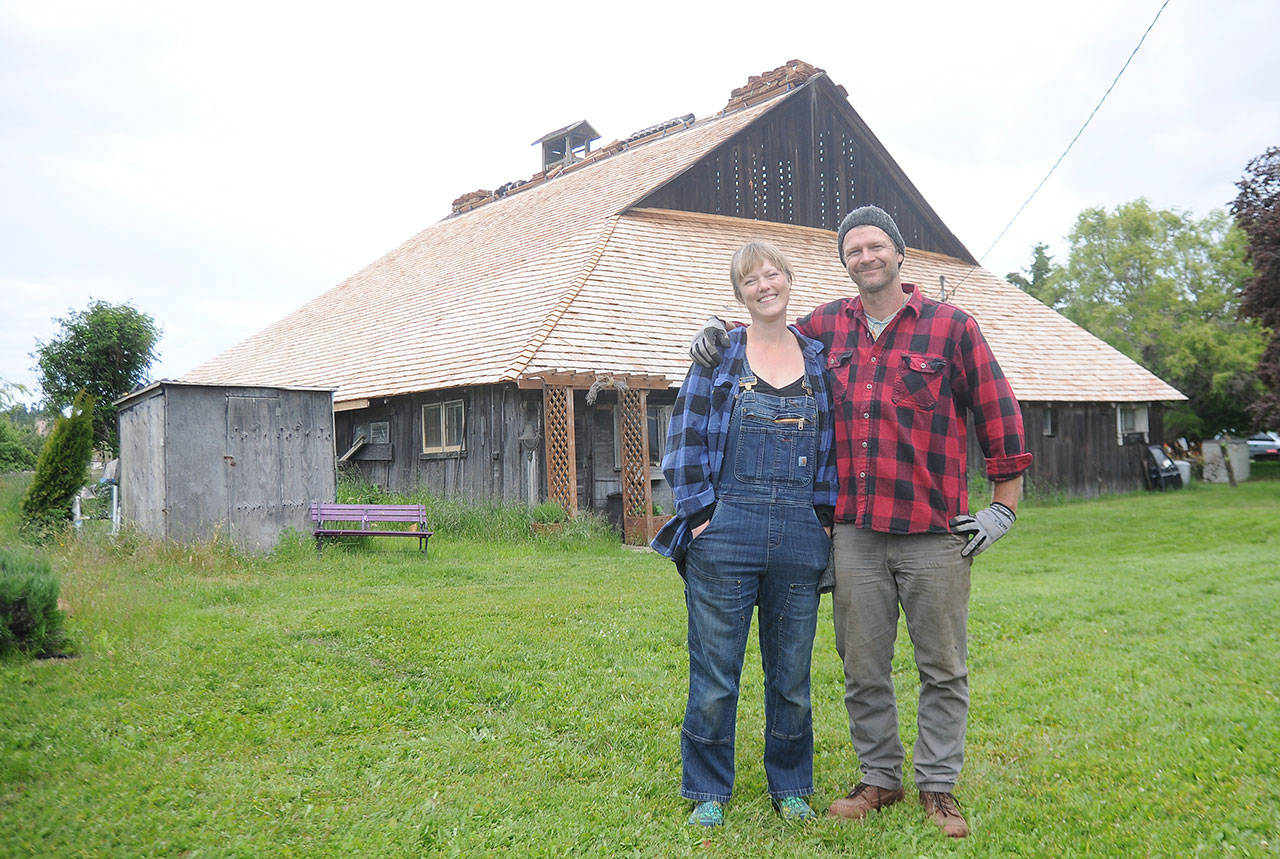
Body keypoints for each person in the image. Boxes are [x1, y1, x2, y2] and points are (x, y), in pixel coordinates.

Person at [689, 206, 1032, 838]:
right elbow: (769, 333)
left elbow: (999, 419)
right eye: (853, 250)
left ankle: (939, 787)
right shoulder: (828, 328)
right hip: (855, 534)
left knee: (942, 666)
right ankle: (881, 778)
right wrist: (719, 329)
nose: (866, 257)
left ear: (900, 254)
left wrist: (1002, 507)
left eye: (876, 246)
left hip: (936, 532)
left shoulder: (952, 328)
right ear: (844, 262)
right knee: (863, 665)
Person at [652, 240, 837, 828]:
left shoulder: (816, 356)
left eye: (773, 273)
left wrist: (823, 521)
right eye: (751, 279)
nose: (765, 285)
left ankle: (791, 786)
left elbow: (829, 450)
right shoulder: (720, 353)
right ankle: (708, 789)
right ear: (740, 293)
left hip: (800, 532)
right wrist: (701, 516)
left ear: (788, 280)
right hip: (726, 530)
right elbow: (682, 438)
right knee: (715, 675)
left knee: (792, 678)